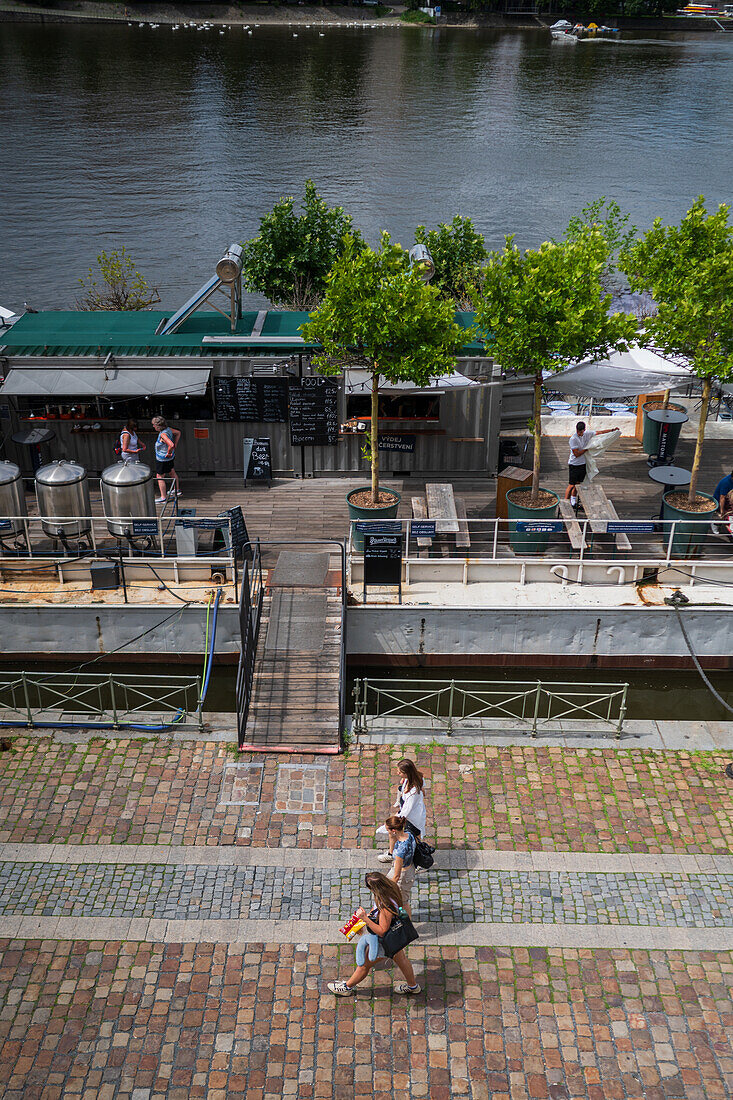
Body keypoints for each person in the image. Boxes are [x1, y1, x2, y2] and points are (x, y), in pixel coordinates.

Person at [327, 873, 420, 997]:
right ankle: (413, 986)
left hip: (386, 940)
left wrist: (365, 918)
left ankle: (346, 987)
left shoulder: (385, 907)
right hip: (396, 937)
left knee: (364, 965)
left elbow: (382, 930)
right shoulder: (392, 887)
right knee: (401, 959)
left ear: (374, 889)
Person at [378, 758, 426, 864]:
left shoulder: (413, 792)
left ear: (407, 773)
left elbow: (407, 810)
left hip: (412, 818)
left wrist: (397, 817)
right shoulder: (414, 778)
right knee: (393, 833)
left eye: (400, 772)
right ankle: (391, 853)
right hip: (408, 812)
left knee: (416, 839)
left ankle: (419, 862)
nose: (397, 773)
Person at [565, 421, 616, 503]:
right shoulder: (573, 439)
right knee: (571, 485)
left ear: (584, 430)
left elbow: (600, 432)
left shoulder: (587, 434)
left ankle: (573, 501)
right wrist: (586, 448)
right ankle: (565, 501)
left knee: (578, 484)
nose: (579, 433)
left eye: (581, 432)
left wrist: (612, 430)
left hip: (582, 464)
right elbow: (577, 454)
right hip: (574, 464)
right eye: (578, 432)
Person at [384, 815, 416, 917]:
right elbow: (392, 850)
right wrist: (392, 837)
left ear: (394, 830)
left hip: (403, 874)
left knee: (403, 901)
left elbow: (397, 876)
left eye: (387, 830)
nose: (387, 832)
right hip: (409, 866)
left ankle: (408, 926)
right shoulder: (409, 834)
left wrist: (387, 889)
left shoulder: (400, 851)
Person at [152, 416, 181, 503]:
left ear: (158, 426)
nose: (153, 426)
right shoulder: (169, 429)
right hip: (170, 459)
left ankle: (163, 497)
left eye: (154, 425)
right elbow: (178, 433)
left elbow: (171, 445)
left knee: (160, 477)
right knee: (172, 472)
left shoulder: (163, 434)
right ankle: (177, 490)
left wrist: (169, 452)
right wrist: (175, 445)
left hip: (162, 460)